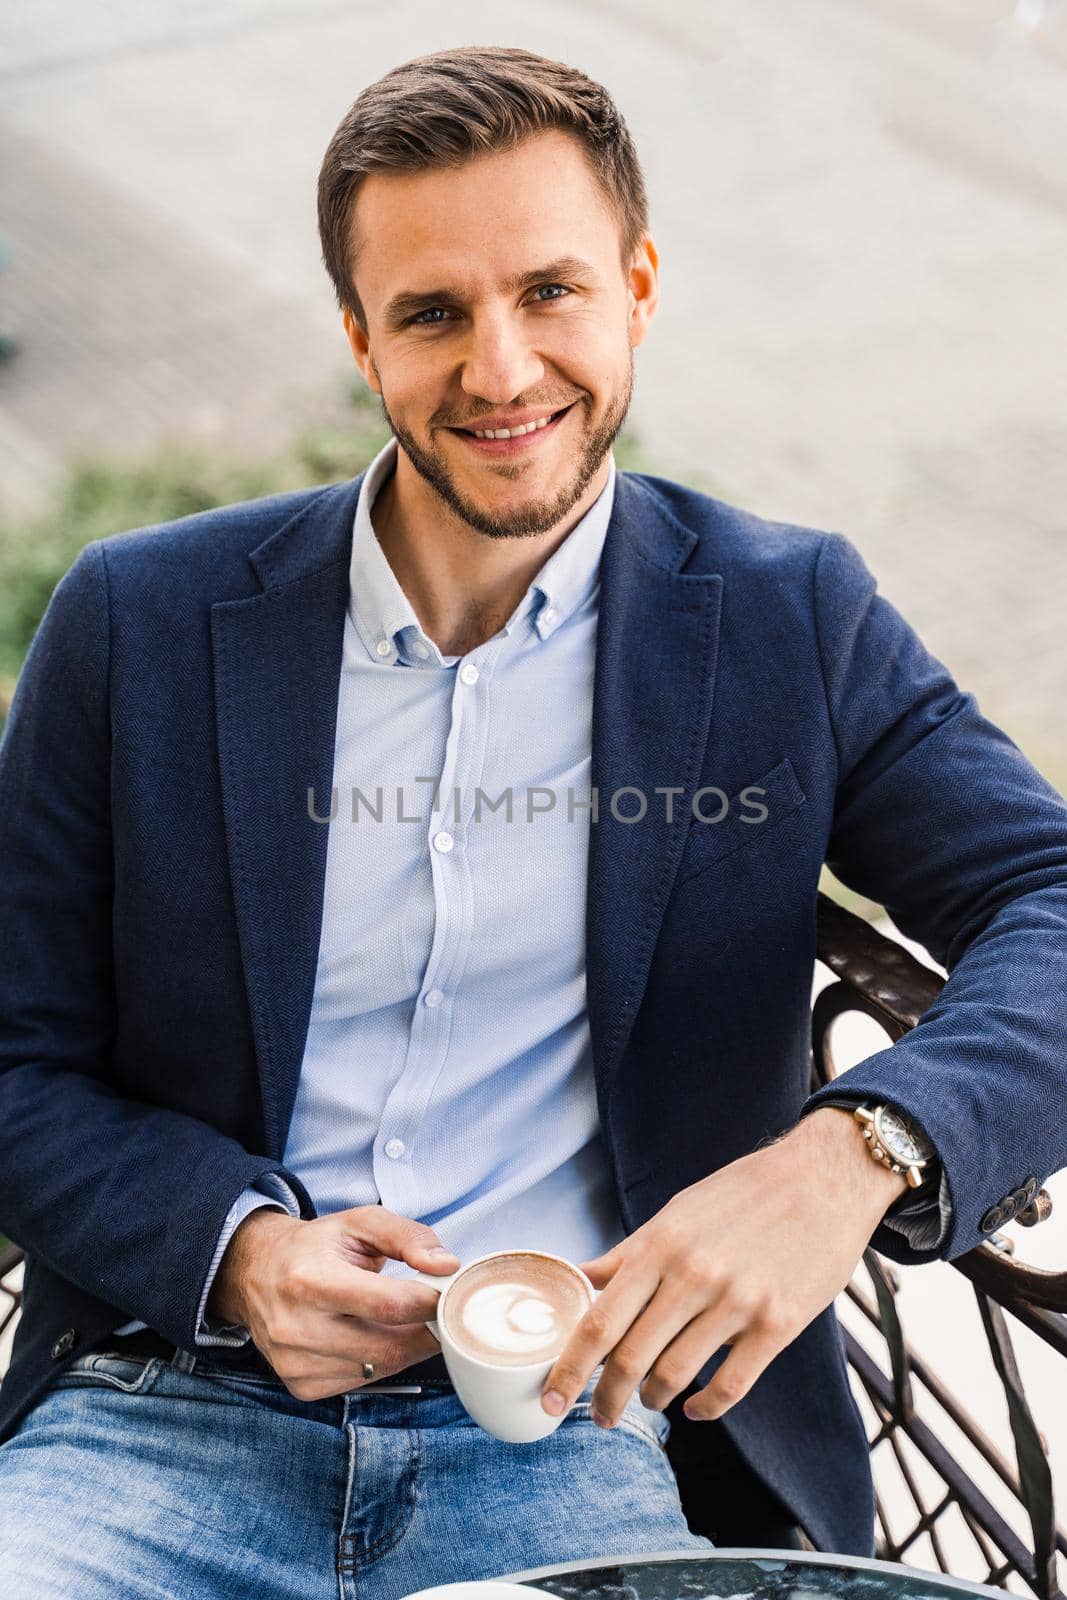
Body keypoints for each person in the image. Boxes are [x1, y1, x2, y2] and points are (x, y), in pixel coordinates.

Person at [1, 43, 1065, 1599]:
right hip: (158, 1422)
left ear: (638, 285)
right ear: (362, 339)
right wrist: (233, 1250)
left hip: (582, 1441)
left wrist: (854, 1153)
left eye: (550, 292)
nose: (500, 372)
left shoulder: (790, 617)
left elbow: (1050, 893)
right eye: (432, 312)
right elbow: (16, 1056)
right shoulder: (138, 621)